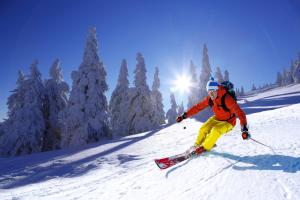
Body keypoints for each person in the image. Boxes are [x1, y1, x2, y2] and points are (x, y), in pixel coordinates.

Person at [176, 77, 250, 155]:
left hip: (229, 122)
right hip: (217, 118)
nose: (211, 94)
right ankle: (196, 146)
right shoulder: (210, 99)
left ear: (217, 90)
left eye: (213, 92)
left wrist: (244, 128)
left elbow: (240, 112)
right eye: (209, 92)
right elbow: (198, 107)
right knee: (203, 128)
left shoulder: (227, 99)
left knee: (215, 130)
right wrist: (184, 115)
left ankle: (204, 148)